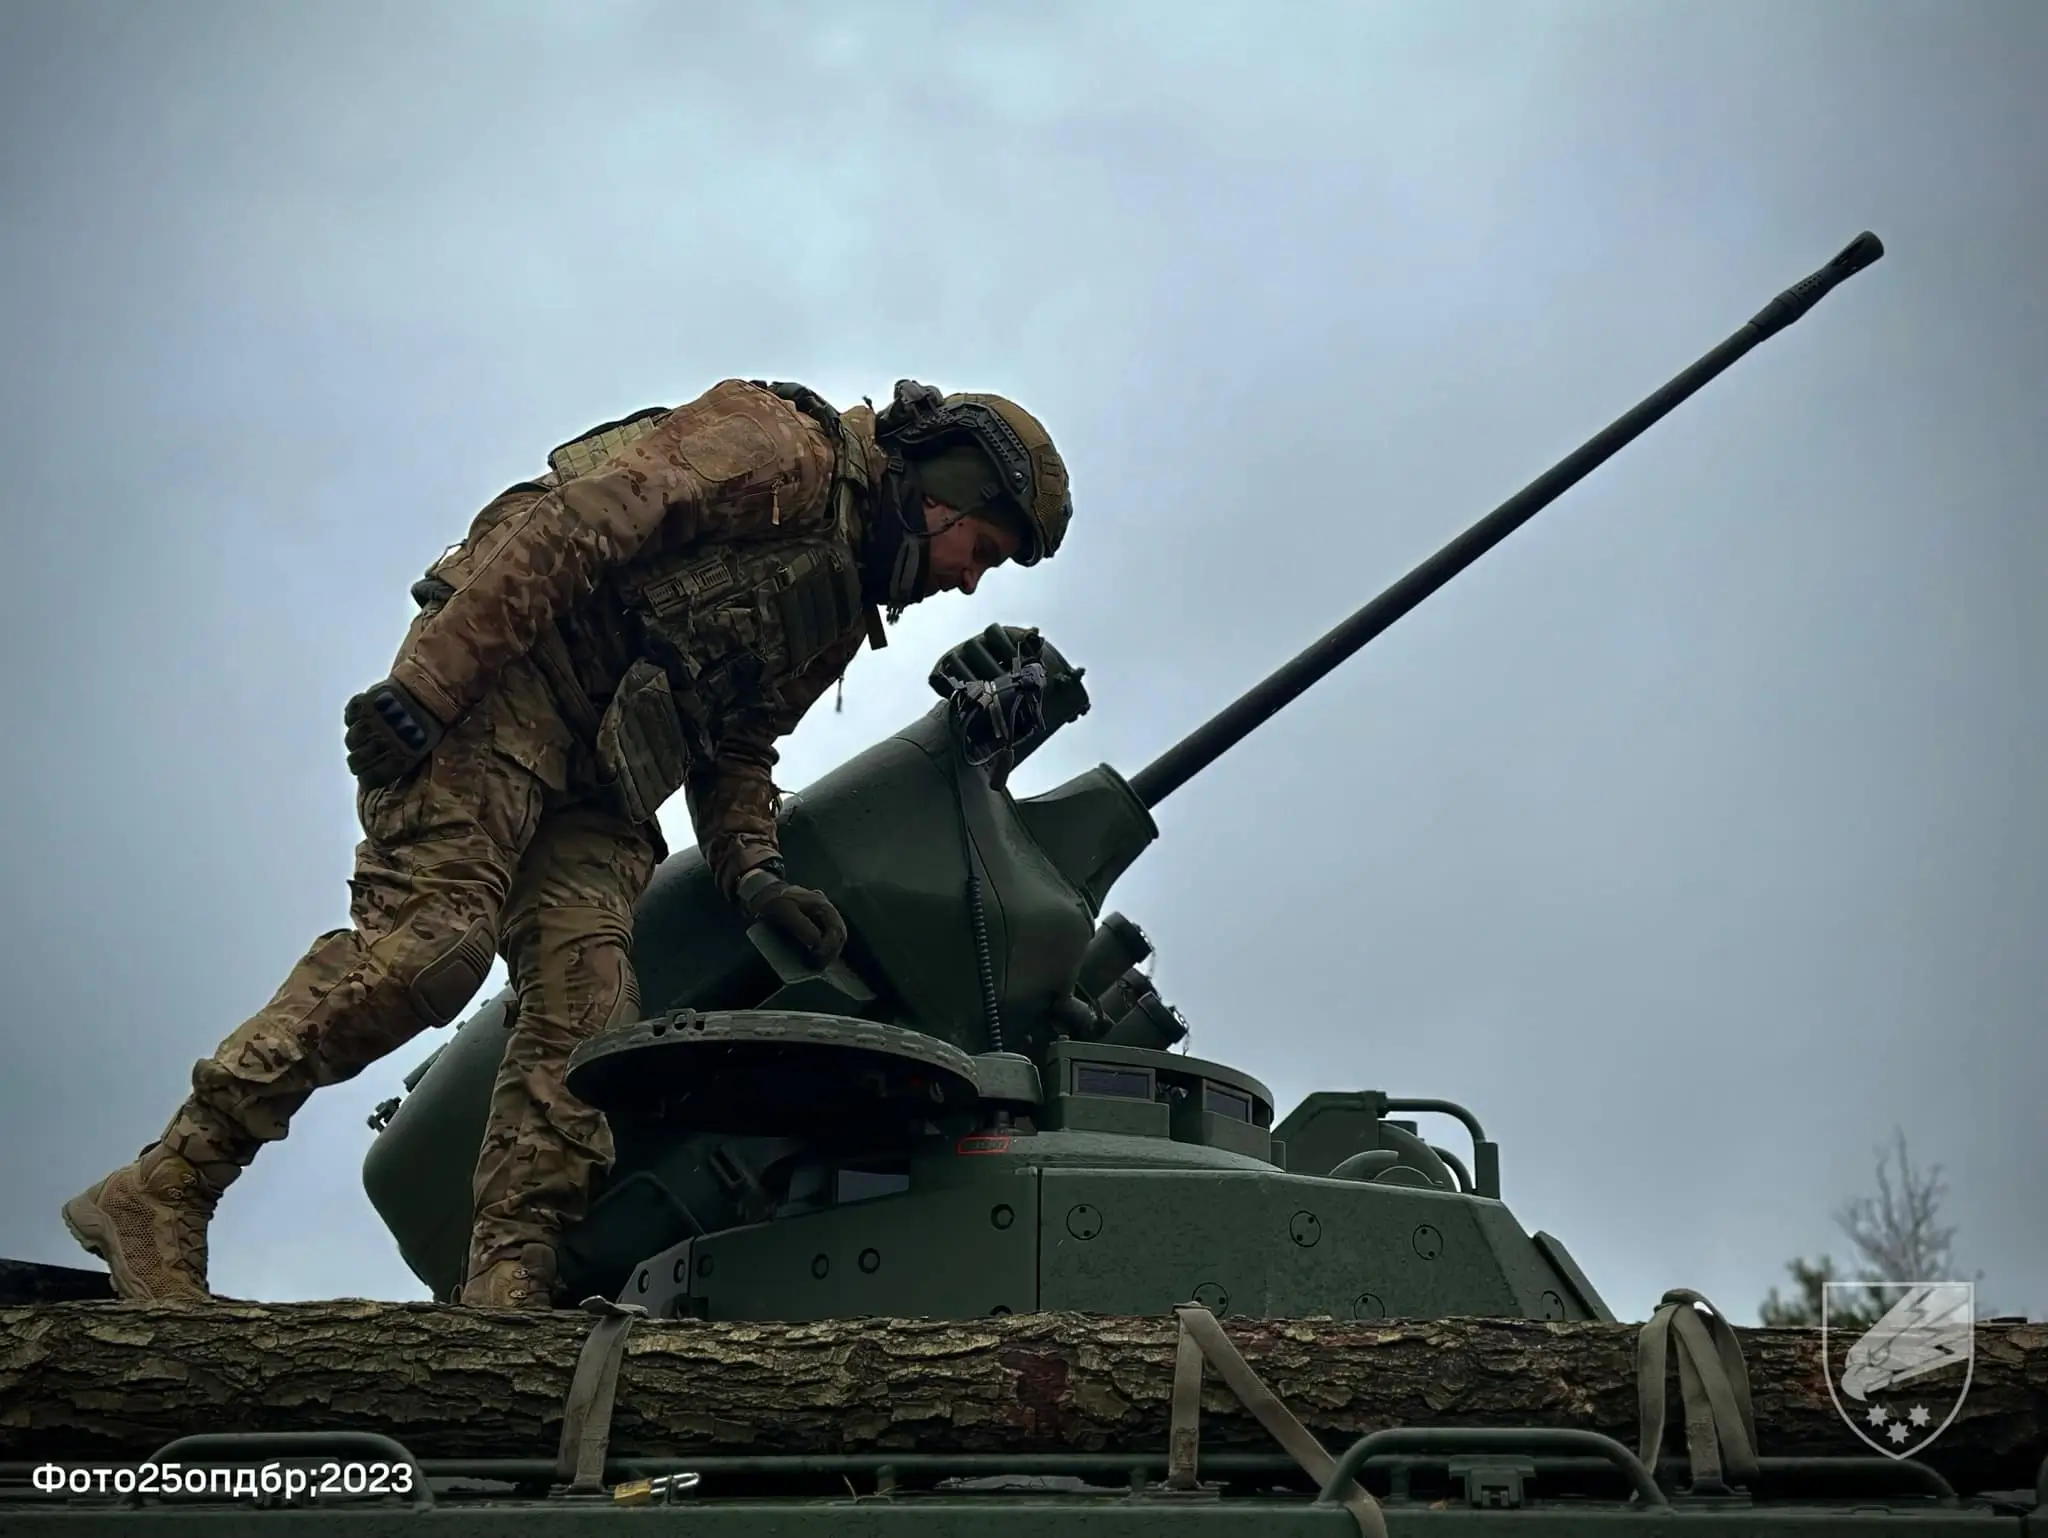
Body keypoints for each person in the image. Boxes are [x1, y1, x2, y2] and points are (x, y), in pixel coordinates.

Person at [61, 377, 1071, 1308]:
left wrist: (754, 870)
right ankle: (165, 1183)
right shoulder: (781, 452)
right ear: (943, 492)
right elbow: (580, 522)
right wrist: (431, 689)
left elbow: (738, 741)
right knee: (426, 950)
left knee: (586, 1023)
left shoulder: (842, 600)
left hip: (600, 778)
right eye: (978, 550)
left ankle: (508, 1284)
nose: (969, 583)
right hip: (506, 683)